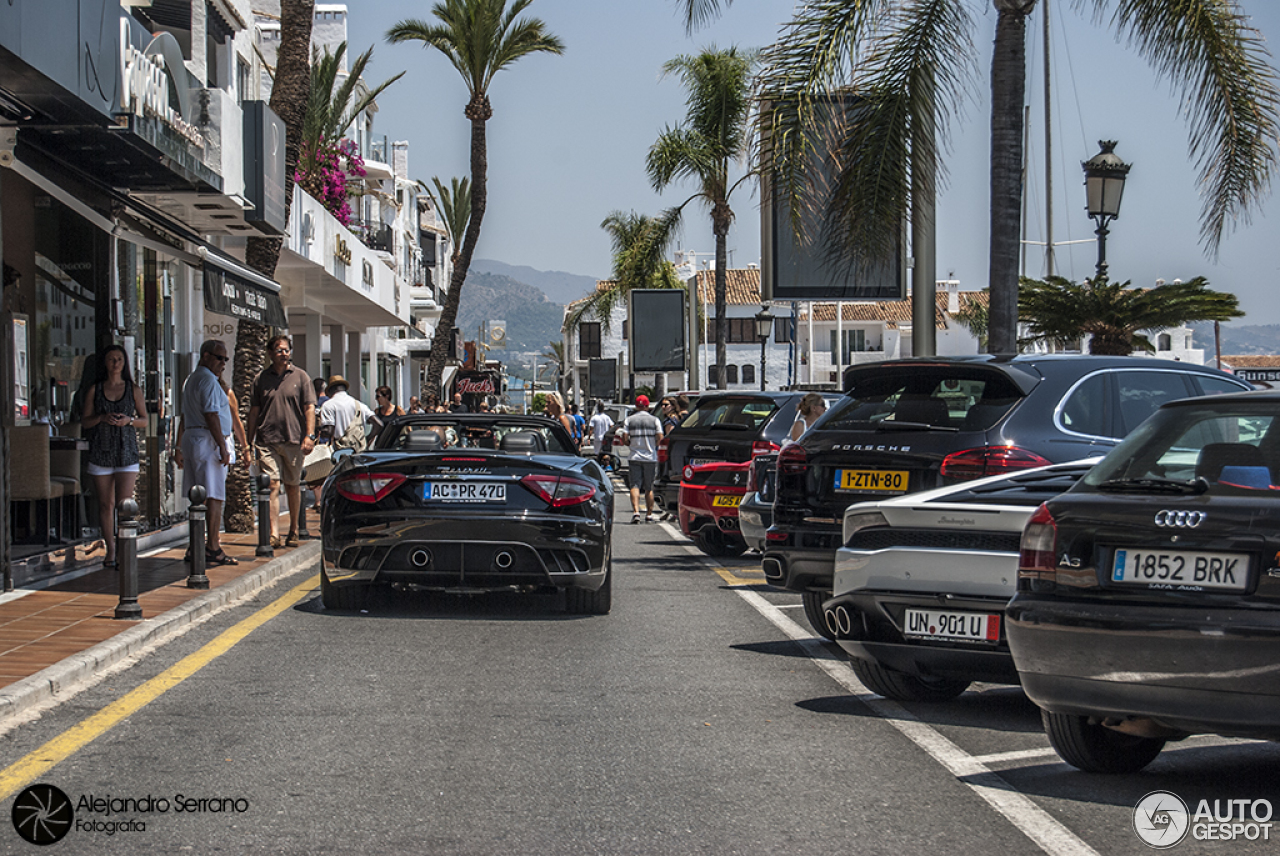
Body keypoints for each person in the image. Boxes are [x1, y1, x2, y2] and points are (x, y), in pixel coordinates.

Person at [246, 335, 316, 549]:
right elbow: (254, 411)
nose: (284, 354)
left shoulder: (301, 376)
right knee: (273, 484)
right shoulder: (261, 379)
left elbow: (309, 408)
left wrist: (309, 435)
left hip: (294, 439)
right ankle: (273, 533)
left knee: (293, 486)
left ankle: (293, 529)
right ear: (270, 353)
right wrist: (248, 442)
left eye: (286, 350)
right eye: (279, 350)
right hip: (267, 440)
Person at [81, 344, 147, 568]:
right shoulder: (95, 390)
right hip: (101, 450)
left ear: (124, 363)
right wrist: (102, 418)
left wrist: (128, 421)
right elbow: (85, 421)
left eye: (119, 359)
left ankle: (123, 547)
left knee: (124, 505)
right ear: (105, 363)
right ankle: (110, 548)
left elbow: (145, 420)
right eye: (111, 359)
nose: (115, 363)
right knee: (104, 504)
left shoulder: (133, 389)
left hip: (126, 451)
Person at [173, 339, 238, 565]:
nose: (223, 363)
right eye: (219, 358)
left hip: (193, 439)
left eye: (225, 359)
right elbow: (211, 415)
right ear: (206, 356)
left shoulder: (191, 380)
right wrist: (222, 445)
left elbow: (185, 415)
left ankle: (196, 545)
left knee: (197, 497)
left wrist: (178, 445)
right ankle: (212, 546)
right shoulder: (209, 381)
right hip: (207, 441)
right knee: (213, 496)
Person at [620, 394, 663, 523]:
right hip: (650, 457)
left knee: (634, 485)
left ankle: (636, 512)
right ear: (648, 406)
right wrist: (653, 445)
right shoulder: (655, 420)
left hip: (634, 456)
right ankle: (649, 515)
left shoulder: (629, 420)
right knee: (649, 487)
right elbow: (660, 437)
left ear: (636, 406)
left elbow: (624, 436)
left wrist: (630, 444)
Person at [320, 376, 375, 450]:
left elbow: (329, 431)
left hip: (339, 450)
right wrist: (367, 438)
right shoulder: (359, 405)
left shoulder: (328, 405)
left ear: (331, 390)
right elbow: (379, 424)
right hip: (358, 450)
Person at [588, 400, 614, 469]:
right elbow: (612, 426)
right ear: (603, 408)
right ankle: (607, 466)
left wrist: (589, 438)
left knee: (597, 453)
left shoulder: (594, 418)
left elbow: (591, 429)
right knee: (606, 453)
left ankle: (599, 466)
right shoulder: (607, 417)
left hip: (597, 438)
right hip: (606, 438)